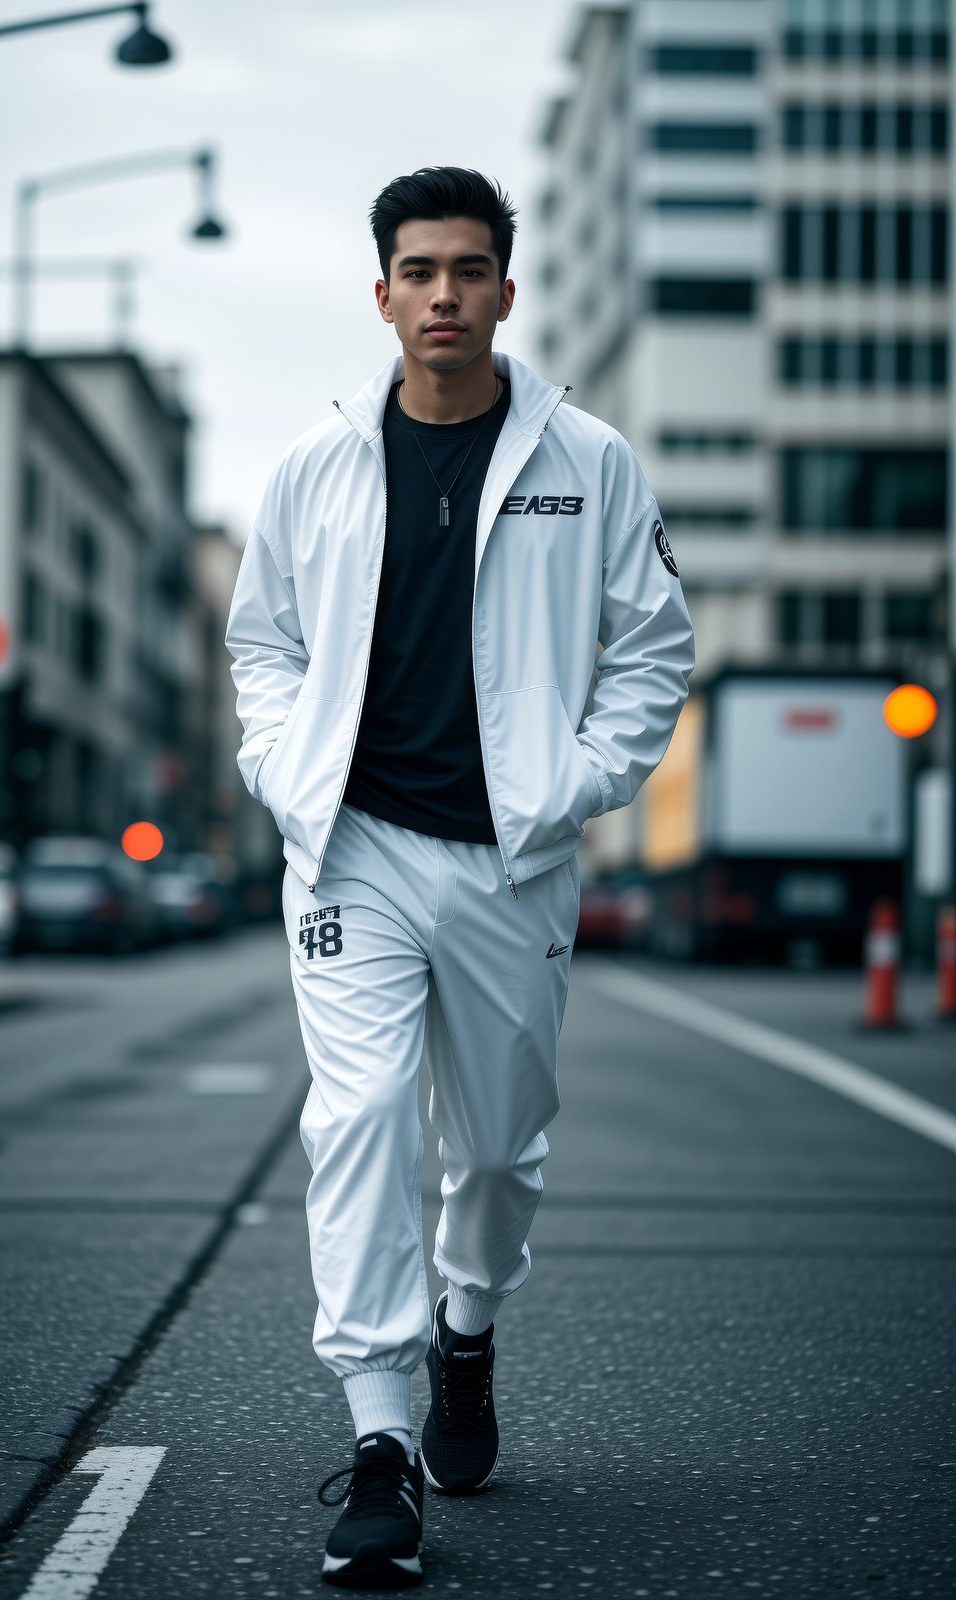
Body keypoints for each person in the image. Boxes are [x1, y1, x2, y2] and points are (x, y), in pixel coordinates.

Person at [225, 166, 694, 1588]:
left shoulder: (588, 461)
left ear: (506, 288)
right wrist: (278, 766)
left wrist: (570, 787)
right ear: (383, 296)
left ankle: (467, 1331)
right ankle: (378, 1441)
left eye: (468, 269)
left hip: (508, 863)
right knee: (360, 1116)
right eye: (417, 270)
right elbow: (263, 645)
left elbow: (653, 650)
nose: (443, 293)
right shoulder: (315, 467)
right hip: (352, 852)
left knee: (492, 1148)